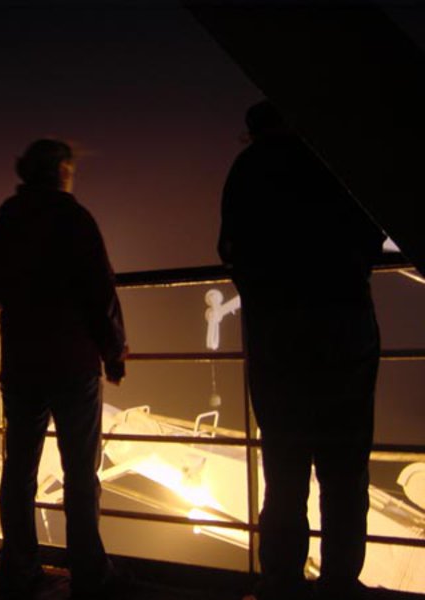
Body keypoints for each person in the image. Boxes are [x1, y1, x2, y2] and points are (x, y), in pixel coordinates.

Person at [218, 101, 385, 600]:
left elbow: (232, 249)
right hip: (342, 322)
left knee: (285, 467)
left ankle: (281, 582)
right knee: (345, 466)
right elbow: (369, 236)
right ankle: (339, 582)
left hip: (278, 331)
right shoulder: (333, 161)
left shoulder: (247, 170)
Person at [0, 139, 127, 598]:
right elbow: (100, 292)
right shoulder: (74, 219)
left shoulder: (5, 223)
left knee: (19, 468)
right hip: (71, 359)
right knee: (81, 473)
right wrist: (114, 352)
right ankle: (89, 573)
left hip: (21, 360)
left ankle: (18, 568)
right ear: (62, 170)